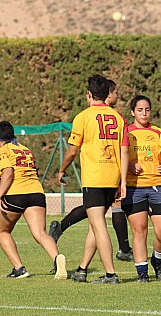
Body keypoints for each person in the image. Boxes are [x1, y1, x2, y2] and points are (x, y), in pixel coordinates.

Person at [49, 79, 133, 262]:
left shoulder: (83, 117)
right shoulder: (119, 118)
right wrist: (123, 181)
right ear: (107, 94)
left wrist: (62, 170)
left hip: (95, 177)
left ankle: (110, 273)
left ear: (88, 94)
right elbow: (124, 151)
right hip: (113, 177)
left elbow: (72, 151)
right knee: (94, 226)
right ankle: (83, 268)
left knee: (98, 226)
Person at [0, 121, 67, 279]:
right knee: (40, 233)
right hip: (36, 193)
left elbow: (8, 173)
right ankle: (56, 258)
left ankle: (19, 268)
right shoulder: (25, 149)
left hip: (15, 194)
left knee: (3, 231)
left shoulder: (2, 151)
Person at [118, 95, 161, 282]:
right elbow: (120, 157)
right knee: (139, 229)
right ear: (133, 112)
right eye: (140, 110)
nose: (144, 113)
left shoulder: (158, 133)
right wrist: (130, 166)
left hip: (158, 186)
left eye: (147, 109)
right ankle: (142, 273)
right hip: (135, 188)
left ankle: (157, 261)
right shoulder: (126, 132)